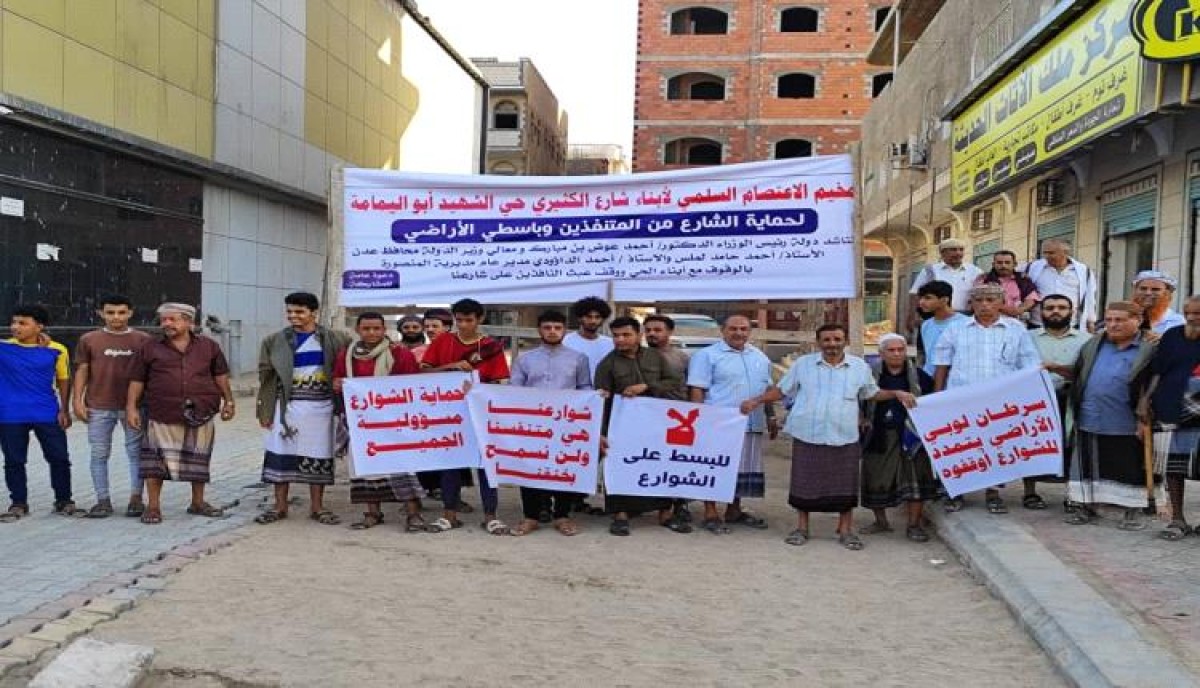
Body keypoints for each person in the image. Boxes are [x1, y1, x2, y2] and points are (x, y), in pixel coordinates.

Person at [749, 323, 911, 551]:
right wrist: (757, 400)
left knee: (844, 485)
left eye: (837, 339)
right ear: (818, 342)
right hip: (808, 432)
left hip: (844, 433)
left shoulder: (858, 367)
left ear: (845, 341)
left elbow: (871, 393)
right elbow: (783, 390)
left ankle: (845, 530)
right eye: (827, 340)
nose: (832, 344)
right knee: (804, 482)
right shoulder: (803, 365)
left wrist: (895, 393)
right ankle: (802, 528)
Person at [933, 283, 1042, 514]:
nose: (984, 305)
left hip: (1000, 403)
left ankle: (993, 494)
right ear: (971, 303)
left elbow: (1028, 366)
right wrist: (938, 398)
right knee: (959, 449)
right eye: (979, 300)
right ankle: (956, 492)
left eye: (991, 300)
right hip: (961, 399)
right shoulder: (956, 329)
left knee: (997, 448)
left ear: (1002, 303)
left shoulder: (1016, 330)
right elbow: (941, 365)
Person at [126, 303, 235, 525]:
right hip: (161, 412)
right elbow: (137, 379)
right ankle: (153, 507)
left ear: (188, 322)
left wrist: (229, 401)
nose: (166, 324)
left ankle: (197, 503)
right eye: (164, 320)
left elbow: (221, 375)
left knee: (199, 459)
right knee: (154, 463)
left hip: (201, 410)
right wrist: (131, 407)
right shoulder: (150, 347)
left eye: (172, 319)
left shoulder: (209, 347)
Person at [255, 293, 349, 526]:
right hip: (286, 407)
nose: (293, 316)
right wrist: (265, 411)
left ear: (313, 313)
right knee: (280, 455)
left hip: (322, 408)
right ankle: (279, 506)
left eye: (299, 312)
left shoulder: (336, 339)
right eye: (289, 312)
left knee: (318, 455)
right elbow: (266, 379)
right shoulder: (274, 341)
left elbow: (346, 369)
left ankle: (317, 507)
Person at [421, 298, 510, 535]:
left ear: (479, 319)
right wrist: (450, 366)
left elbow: (500, 382)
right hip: (448, 413)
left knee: (485, 464)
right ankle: (449, 514)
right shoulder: (443, 341)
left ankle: (490, 515)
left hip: (481, 414)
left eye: (468, 320)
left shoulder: (491, 346)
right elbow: (425, 371)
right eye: (458, 320)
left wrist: (480, 389)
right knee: (450, 463)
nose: (463, 325)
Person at [594, 316, 690, 536]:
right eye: (616, 336)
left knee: (658, 465)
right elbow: (601, 400)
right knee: (620, 468)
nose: (620, 339)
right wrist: (601, 431)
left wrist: (646, 386)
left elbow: (673, 382)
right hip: (621, 426)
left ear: (639, 335)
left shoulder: (655, 357)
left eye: (626, 334)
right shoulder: (607, 364)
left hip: (655, 424)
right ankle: (620, 516)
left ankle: (665, 513)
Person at [333, 312, 426, 532]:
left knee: (401, 466)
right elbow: (337, 379)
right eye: (366, 328)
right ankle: (372, 513)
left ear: (384, 330)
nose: (372, 333)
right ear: (358, 330)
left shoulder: (400, 354)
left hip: (392, 422)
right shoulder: (346, 355)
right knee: (365, 467)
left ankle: (413, 514)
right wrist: (337, 384)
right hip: (360, 423)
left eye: (376, 328)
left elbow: (411, 386)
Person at [1066, 302, 1156, 529]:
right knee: (1089, 466)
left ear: (1138, 320)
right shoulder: (1093, 345)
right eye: (1109, 320)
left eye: (1120, 320)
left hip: (1127, 420)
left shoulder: (1150, 348)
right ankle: (1086, 507)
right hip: (1091, 415)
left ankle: (1132, 513)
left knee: (1128, 467)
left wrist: (1145, 418)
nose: (1113, 325)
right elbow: (1077, 373)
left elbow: (1155, 384)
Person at [687, 314, 774, 534]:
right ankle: (710, 512)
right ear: (722, 330)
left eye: (744, 329)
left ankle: (734, 510)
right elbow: (697, 388)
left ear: (749, 332)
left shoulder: (760, 357)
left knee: (742, 468)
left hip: (751, 422)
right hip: (718, 423)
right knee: (714, 466)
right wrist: (696, 420)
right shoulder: (707, 356)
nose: (739, 333)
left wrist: (771, 416)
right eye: (733, 328)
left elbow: (767, 390)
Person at [509, 310, 591, 537]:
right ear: (539, 330)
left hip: (567, 423)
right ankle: (531, 517)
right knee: (528, 467)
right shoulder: (524, 359)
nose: (552, 332)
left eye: (557, 327)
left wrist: (592, 399)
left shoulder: (578, 358)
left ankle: (562, 516)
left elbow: (585, 388)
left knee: (564, 467)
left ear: (565, 330)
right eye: (547, 327)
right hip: (533, 424)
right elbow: (514, 391)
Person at [73, 294, 152, 518]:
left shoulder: (143, 339)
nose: (116, 317)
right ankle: (102, 500)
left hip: (134, 407)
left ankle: (136, 499)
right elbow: (82, 370)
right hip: (98, 405)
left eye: (121, 312)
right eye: (110, 312)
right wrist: (77, 401)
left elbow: (150, 373)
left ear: (130, 313)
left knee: (136, 453)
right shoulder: (89, 339)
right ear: (100, 313)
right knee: (99, 453)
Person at [858, 333, 938, 542]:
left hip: (912, 435)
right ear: (881, 353)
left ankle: (914, 525)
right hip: (879, 433)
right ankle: (881, 521)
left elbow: (934, 401)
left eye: (900, 350)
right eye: (891, 350)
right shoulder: (868, 376)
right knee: (876, 477)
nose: (896, 354)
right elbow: (858, 398)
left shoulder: (920, 377)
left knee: (916, 481)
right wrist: (862, 418)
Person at [0, 304, 74, 521]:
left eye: (23, 323)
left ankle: (64, 500)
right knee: (14, 460)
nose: (15, 327)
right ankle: (18, 503)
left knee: (59, 458)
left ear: (39, 326)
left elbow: (64, 380)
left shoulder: (56, 349)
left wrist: (65, 409)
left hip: (47, 412)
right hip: (9, 414)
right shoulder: (3, 348)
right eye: (14, 322)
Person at [1142, 295, 1200, 540]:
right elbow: (1157, 371)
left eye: (1198, 313)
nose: (1192, 317)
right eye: (1188, 312)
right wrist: (1144, 401)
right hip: (1170, 407)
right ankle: (1178, 519)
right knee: (1172, 468)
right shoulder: (1173, 335)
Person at [645, 313, 695, 522]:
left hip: (677, 417)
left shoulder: (682, 357)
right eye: (648, 330)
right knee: (652, 461)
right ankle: (656, 504)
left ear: (670, 332)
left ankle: (680, 504)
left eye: (657, 330)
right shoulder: (639, 355)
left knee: (679, 462)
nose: (652, 334)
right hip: (647, 418)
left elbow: (693, 387)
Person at [906, 238, 983, 330]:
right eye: (953, 250)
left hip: (965, 318)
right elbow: (915, 293)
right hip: (935, 317)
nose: (958, 253)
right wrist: (912, 316)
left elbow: (981, 294)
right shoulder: (930, 271)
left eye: (961, 250)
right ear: (942, 253)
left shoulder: (974, 271)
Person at [1024, 238, 1098, 332]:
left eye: (1051, 253)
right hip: (1038, 324)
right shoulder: (1032, 268)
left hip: (1070, 325)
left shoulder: (1084, 271)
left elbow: (1090, 297)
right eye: (1044, 253)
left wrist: (1091, 322)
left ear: (1066, 253)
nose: (1047, 256)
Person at [916, 281, 968, 375]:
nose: (921, 302)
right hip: (929, 378)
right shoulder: (926, 325)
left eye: (928, 298)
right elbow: (925, 355)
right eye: (921, 298)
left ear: (944, 300)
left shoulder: (964, 323)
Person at [973, 250, 1040, 323]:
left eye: (1007, 262)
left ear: (1015, 264)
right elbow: (977, 301)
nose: (1003, 266)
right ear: (993, 264)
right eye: (999, 263)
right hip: (990, 322)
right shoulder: (983, 280)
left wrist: (1020, 309)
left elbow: (1032, 298)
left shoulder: (1023, 279)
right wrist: (1006, 309)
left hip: (1017, 322)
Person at [564, 296, 614, 381]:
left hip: (602, 391)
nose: (593, 321)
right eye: (588, 316)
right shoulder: (566, 341)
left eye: (597, 317)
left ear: (603, 319)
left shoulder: (610, 343)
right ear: (579, 318)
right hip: (574, 391)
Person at [1131, 270, 1185, 335]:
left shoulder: (1177, 322)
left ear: (1167, 294)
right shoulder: (1122, 316)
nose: (1148, 293)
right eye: (1143, 288)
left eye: (1155, 289)